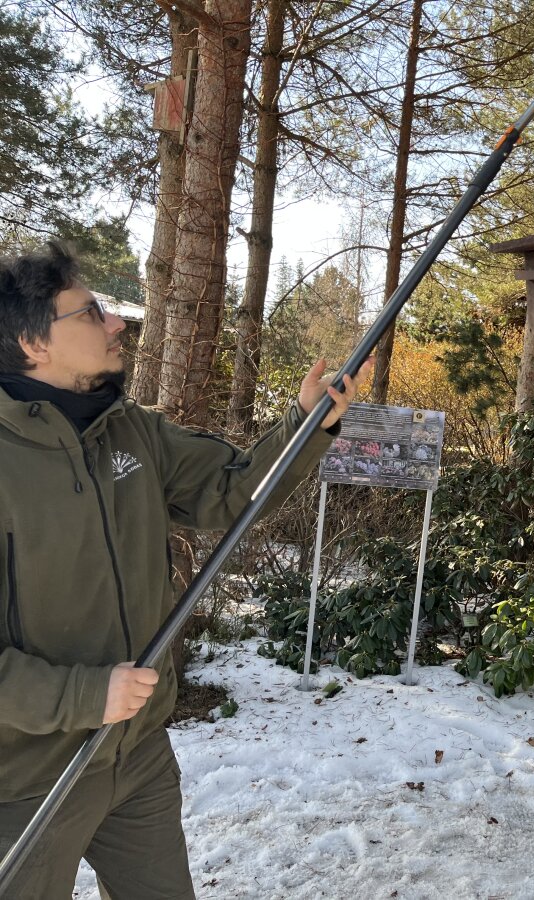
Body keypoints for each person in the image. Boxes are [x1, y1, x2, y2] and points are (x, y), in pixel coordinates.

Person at [0, 242, 371, 898]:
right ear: (33, 343)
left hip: (136, 756)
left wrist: (308, 422)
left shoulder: (131, 431)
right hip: (26, 780)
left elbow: (234, 489)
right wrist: (84, 696)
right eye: (91, 313)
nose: (117, 322)